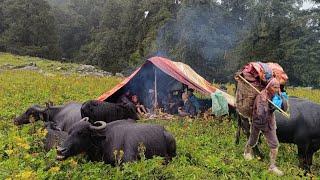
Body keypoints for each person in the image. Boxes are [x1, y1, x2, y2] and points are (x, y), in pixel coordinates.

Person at [243, 78, 286, 176]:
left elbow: (284, 108)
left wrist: (283, 99)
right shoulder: (261, 96)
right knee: (253, 140)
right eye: (275, 87)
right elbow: (260, 114)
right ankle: (246, 152)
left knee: (275, 145)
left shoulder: (276, 94)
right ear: (270, 87)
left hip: (269, 123)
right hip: (258, 122)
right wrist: (269, 106)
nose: (277, 89)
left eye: (278, 87)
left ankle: (272, 166)